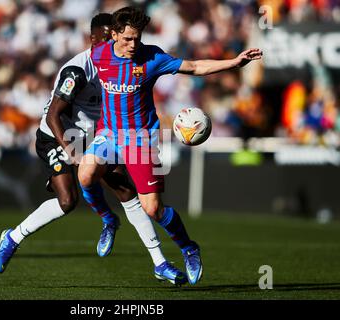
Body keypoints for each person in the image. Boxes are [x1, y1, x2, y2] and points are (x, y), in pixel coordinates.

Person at [0, 13, 188, 285]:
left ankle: (160, 263)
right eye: (105, 38)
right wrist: (72, 151)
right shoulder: (78, 70)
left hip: (96, 137)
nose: (111, 43)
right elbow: (53, 115)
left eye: (114, 37)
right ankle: (13, 237)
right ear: (92, 39)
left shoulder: (121, 63)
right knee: (67, 201)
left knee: (126, 191)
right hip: (57, 135)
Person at [78, 7, 263, 285]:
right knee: (85, 173)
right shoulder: (98, 54)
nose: (133, 44)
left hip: (140, 140)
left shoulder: (151, 57)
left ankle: (189, 247)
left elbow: (195, 66)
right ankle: (108, 220)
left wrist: (233, 63)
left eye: (137, 38)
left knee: (153, 209)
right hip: (109, 134)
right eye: (127, 39)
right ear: (113, 34)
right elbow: (76, 72)